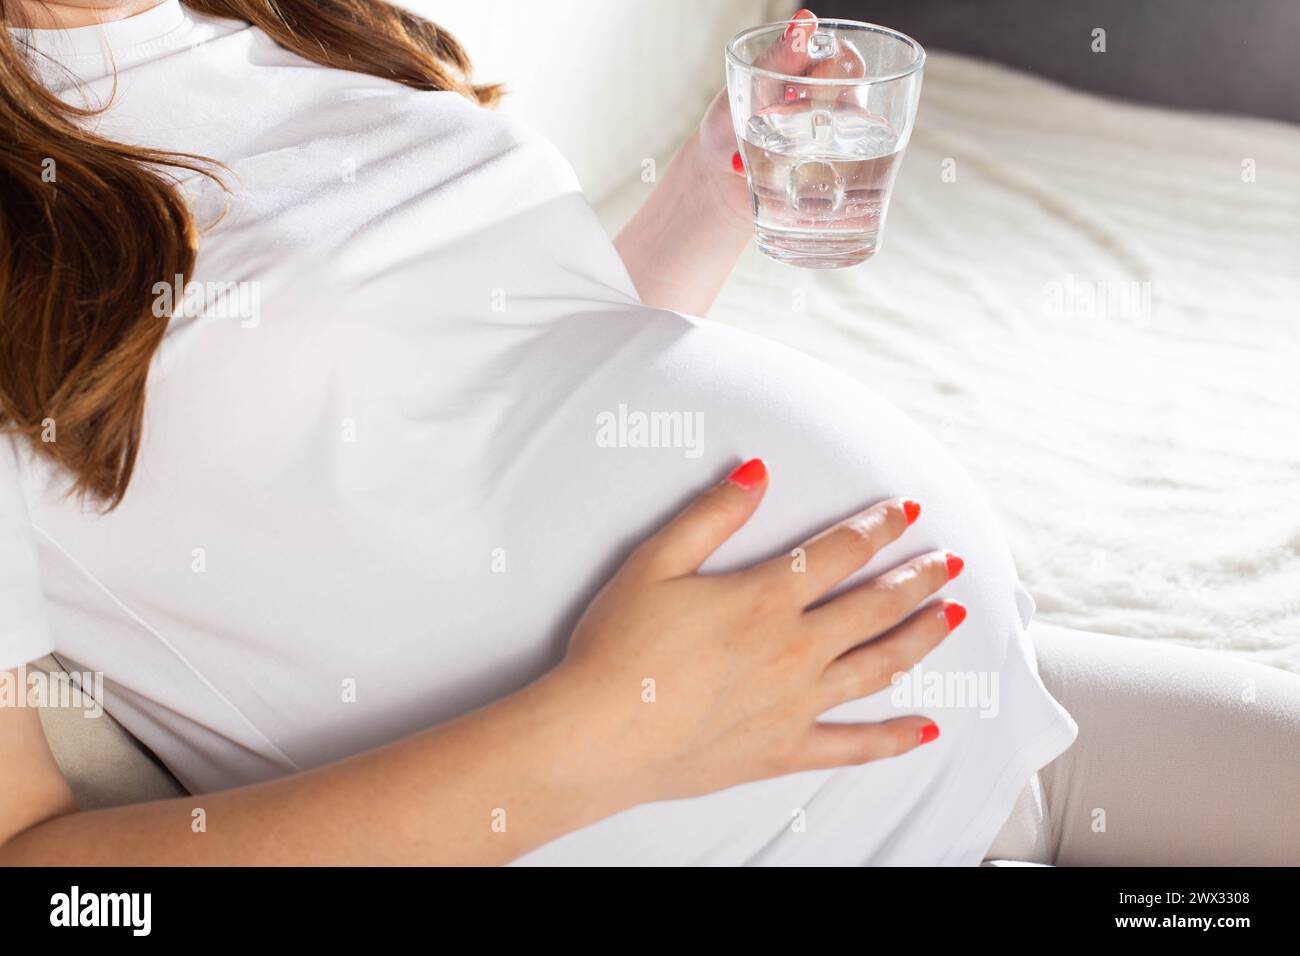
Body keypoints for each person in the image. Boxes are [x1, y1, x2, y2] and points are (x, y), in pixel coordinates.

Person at [0, 1, 1295, 866]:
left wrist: (711, 192)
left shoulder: (296, 26)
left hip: (977, 719)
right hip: (723, 830)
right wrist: (607, 729)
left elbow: (503, 398)